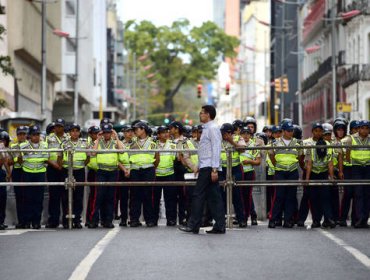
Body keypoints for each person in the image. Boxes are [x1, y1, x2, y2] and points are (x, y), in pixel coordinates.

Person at [179, 105, 225, 234]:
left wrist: (215, 169)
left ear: (208, 114)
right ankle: (220, 226)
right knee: (213, 197)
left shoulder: (213, 128)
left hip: (210, 167)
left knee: (198, 195)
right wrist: (198, 165)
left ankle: (193, 225)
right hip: (206, 166)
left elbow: (216, 148)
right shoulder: (207, 128)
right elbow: (204, 149)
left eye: (202, 113)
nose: (200, 115)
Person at [268, 121, 304, 228]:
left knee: (291, 197)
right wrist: (278, 166)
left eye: (292, 130)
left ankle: (288, 220)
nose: (290, 132)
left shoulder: (298, 143)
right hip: (280, 171)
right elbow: (271, 156)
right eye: (288, 131)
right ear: (283, 131)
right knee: (278, 196)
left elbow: (301, 157)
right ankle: (273, 219)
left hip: (293, 171)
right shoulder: (275, 143)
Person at [57, 123, 89, 229]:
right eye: (73, 131)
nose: (75, 133)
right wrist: (64, 168)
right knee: (65, 196)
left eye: (77, 131)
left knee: (78, 197)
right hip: (66, 171)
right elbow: (59, 158)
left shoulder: (85, 143)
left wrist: (80, 166)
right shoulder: (64, 143)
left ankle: (77, 220)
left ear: (79, 132)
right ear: (69, 132)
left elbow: (88, 158)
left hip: (79, 171)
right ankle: (66, 220)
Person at [18, 126, 49, 229]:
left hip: (40, 173)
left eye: (38, 134)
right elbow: (20, 160)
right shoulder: (23, 146)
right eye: (34, 134)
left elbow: (45, 159)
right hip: (27, 172)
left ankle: (36, 221)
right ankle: (27, 221)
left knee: (38, 199)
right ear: (30, 135)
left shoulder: (44, 145)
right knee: (27, 198)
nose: (36, 137)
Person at [45, 118, 68, 228]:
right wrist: (54, 164)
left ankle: (66, 220)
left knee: (65, 196)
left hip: (65, 168)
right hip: (52, 168)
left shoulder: (68, 138)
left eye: (60, 126)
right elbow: (44, 154)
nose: (58, 128)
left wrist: (62, 165)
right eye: (56, 126)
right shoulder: (48, 139)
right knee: (53, 195)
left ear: (64, 127)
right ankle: (53, 220)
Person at [8, 126, 28, 228]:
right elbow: (9, 161)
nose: (22, 136)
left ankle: (29, 221)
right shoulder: (13, 146)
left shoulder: (30, 146)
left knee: (28, 197)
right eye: (20, 134)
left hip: (28, 171)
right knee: (19, 197)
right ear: (17, 135)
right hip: (18, 171)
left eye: (23, 134)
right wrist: (17, 160)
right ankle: (21, 221)